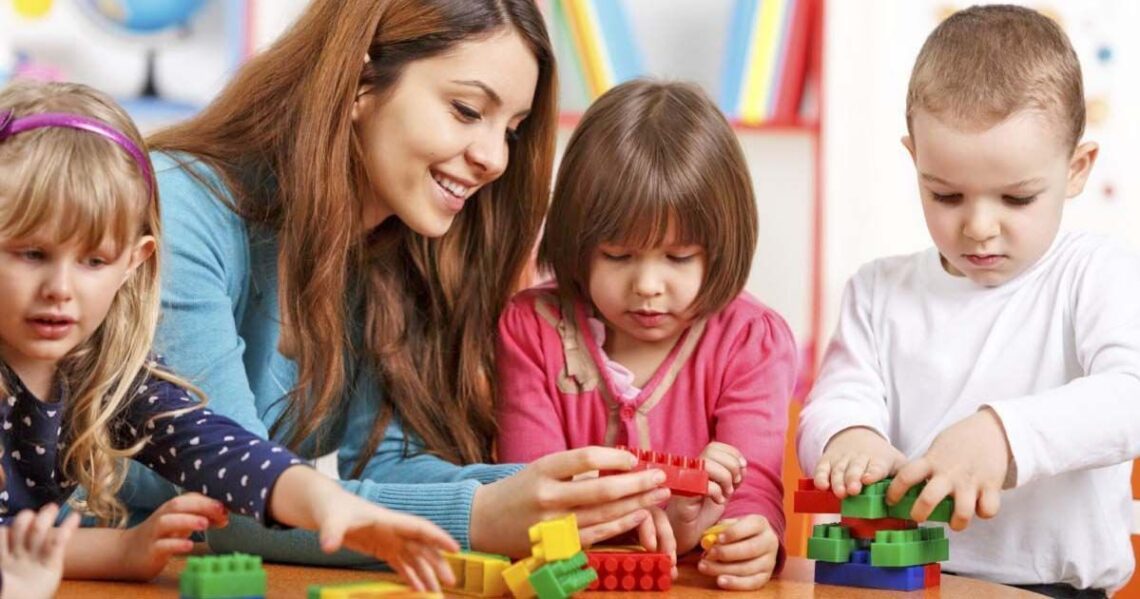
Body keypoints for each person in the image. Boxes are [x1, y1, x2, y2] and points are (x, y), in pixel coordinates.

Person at [136, 0, 667, 563]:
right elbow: (232, 501)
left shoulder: (386, 247)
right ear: (362, 80)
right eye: (466, 110)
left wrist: (593, 500)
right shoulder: (180, 209)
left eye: (511, 131)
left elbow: (387, 461)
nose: (493, 159)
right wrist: (480, 518)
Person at [0, 79, 459, 591]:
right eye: (31, 254)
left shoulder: (109, 376)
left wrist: (333, 506)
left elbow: (227, 453)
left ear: (134, 263)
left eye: (94, 261)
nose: (59, 289)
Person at [797, 5, 1140, 596]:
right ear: (915, 162)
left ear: (1077, 168)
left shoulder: (1096, 275)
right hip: (894, 579)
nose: (980, 226)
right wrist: (848, 434)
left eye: (1016, 198)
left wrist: (1007, 435)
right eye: (947, 194)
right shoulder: (879, 290)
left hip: (1051, 590)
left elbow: (1130, 392)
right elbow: (836, 396)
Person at [496, 79, 797, 591]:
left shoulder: (750, 339)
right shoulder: (532, 331)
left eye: (679, 258)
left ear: (721, 245)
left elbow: (756, 495)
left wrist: (749, 538)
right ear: (578, 242)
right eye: (618, 256)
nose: (648, 287)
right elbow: (530, 493)